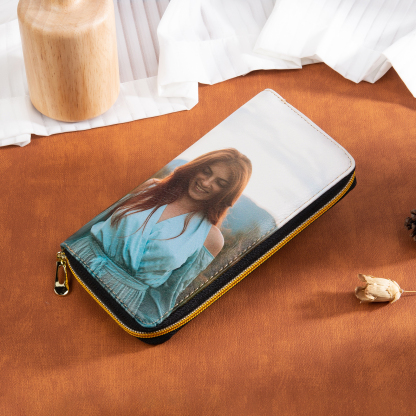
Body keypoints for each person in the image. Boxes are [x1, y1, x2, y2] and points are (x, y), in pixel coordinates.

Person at [69, 148, 252, 327]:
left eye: (220, 183)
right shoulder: (152, 187)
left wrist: (138, 324)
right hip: (78, 258)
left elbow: (167, 292)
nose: (206, 182)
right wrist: (65, 249)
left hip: (118, 298)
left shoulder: (211, 239)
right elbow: (97, 219)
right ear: (197, 167)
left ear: (228, 192)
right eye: (206, 171)